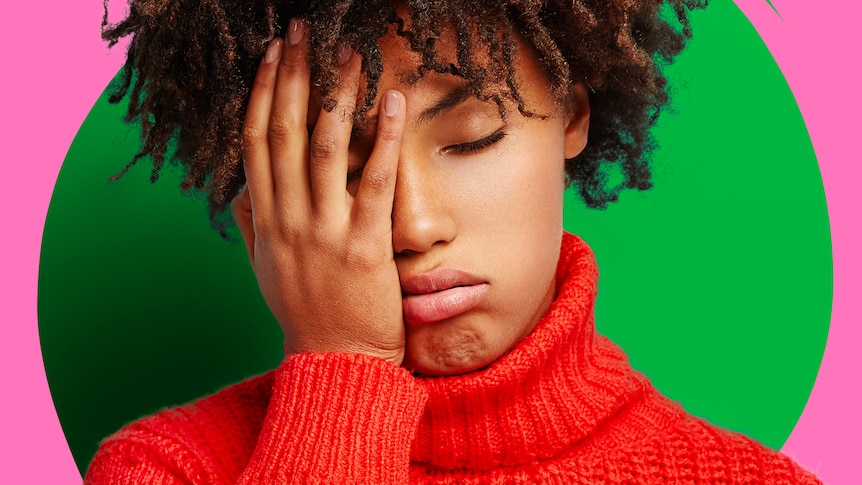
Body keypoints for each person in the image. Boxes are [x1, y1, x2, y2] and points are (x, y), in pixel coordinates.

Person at [85, 0, 822, 483]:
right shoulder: (164, 470)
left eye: (471, 138)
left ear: (570, 114)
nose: (412, 225)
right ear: (264, 204)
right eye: (342, 164)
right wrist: (344, 367)